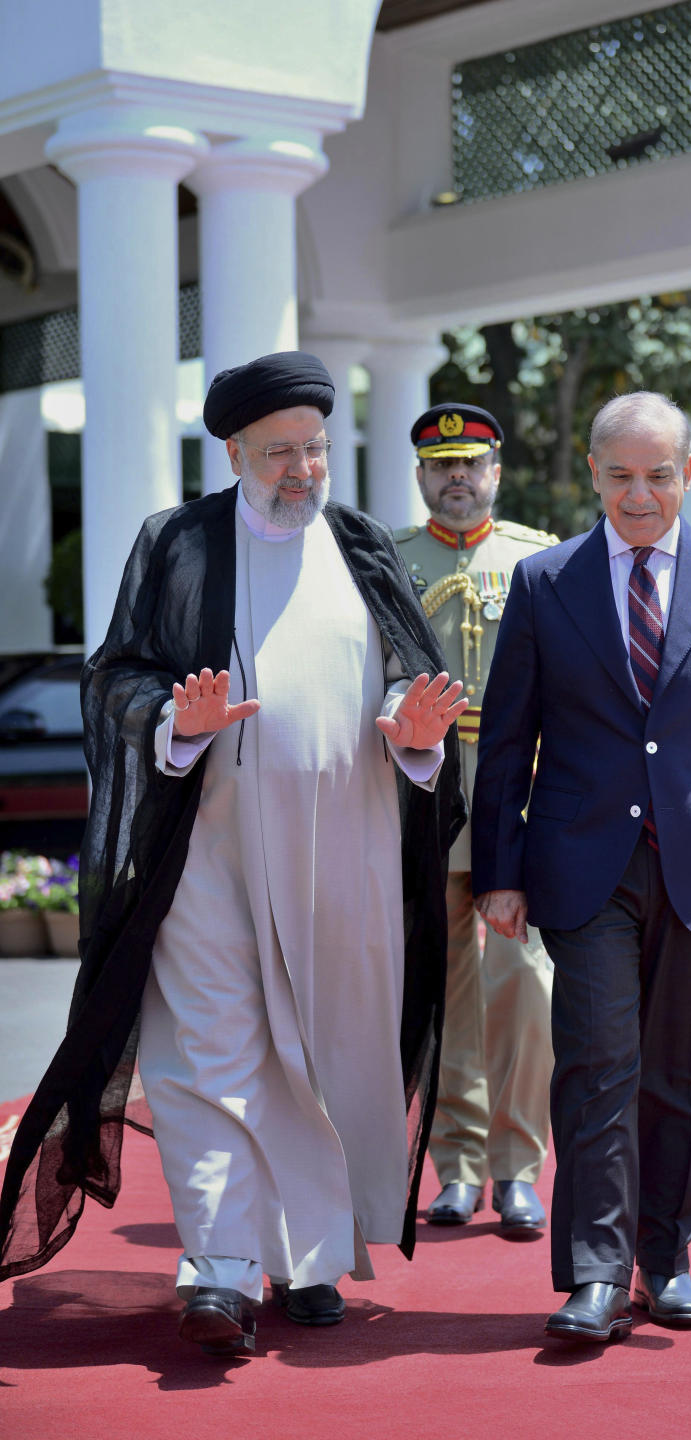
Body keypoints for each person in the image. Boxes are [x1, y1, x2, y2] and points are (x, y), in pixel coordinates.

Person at [0, 352, 468, 1359]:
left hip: (348, 841)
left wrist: (413, 728)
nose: (302, 471)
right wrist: (175, 715)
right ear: (232, 452)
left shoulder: (359, 543)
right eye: (279, 454)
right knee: (210, 1052)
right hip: (207, 847)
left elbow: (407, 676)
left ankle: (309, 1260)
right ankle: (217, 1271)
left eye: (314, 449)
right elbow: (115, 673)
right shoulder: (175, 544)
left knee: (330, 1048)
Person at [471, 391, 691, 1343]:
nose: (639, 493)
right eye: (620, 474)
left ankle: (666, 1262)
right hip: (585, 869)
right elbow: (507, 741)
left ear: (688, 475)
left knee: (687, 1073)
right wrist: (499, 871)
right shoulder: (546, 584)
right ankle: (593, 1272)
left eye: (658, 474)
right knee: (596, 1065)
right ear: (592, 473)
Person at [395, 404, 557, 1232]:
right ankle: (455, 1164)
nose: (457, 479)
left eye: (471, 465)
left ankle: (518, 1163)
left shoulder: (538, 558)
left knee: (523, 982)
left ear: (496, 471)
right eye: (441, 466)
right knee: (447, 988)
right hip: (424, 796)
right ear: (421, 475)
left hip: (515, 795)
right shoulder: (390, 561)